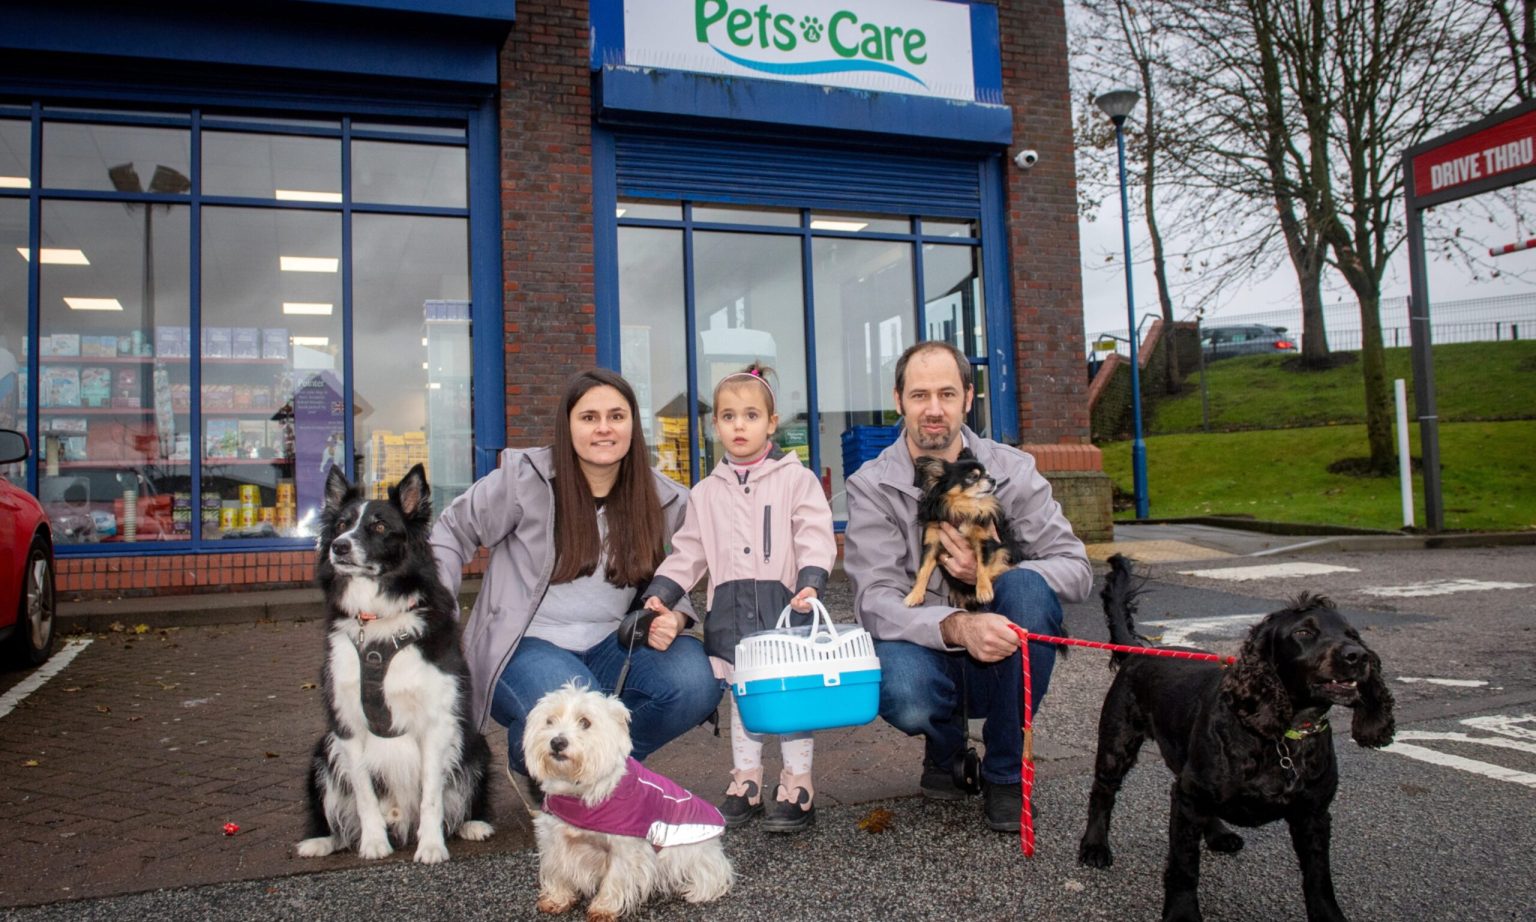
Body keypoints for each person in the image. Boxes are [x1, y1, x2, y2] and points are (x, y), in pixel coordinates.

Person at [430, 368, 721, 807]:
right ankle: (544, 763)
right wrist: (436, 611)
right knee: (579, 700)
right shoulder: (523, 480)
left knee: (696, 679)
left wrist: (677, 617)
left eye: (616, 416)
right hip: (525, 647)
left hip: (613, 645)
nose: (604, 428)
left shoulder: (663, 497)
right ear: (567, 426)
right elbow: (451, 531)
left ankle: (589, 775)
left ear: (633, 425)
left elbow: (684, 567)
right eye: (589, 417)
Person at [842, 340, 1092, 832]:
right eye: (919, 395)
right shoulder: (872, 484)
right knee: (904, 690)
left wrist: (997, 572)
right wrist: (956, 626)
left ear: (969, 398)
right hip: (924, 651)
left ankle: (1005, 773)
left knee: (1029, 591)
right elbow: (874, 599)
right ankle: (946, 748)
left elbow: (1076, 568)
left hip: (1003, 653)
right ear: (898, 400)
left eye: (947, 394)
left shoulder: (1012, 469)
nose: (933, 409)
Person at [639, 363, 836, 834]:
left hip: (785, 608)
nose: (739, 425)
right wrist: (662, 592)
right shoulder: (705, 493)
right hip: (729, 611)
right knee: (742, 696)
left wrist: (811, 580)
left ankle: (798, 784)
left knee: (788, 699)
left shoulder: (796, 480)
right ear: (716, 425)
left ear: (772, 423)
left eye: (751, 415)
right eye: (729, 416)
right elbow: (689, 551)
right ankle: (746, 779)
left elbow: (814, 533)